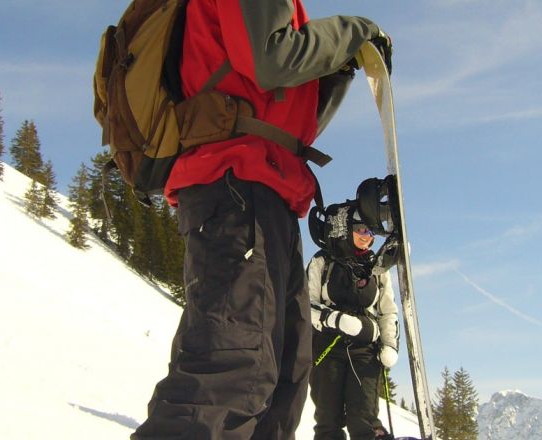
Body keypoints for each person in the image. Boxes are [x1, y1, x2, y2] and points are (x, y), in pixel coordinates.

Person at [131, 1, 393, 439]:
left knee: (284, 378)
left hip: (268, 192)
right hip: (236, 188)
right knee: (233, 369)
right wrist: (357, 32)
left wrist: (338, 66)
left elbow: (287, 117)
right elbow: (272, 61)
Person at [307, 206, 399, 440]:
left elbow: (387, 310)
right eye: (361, 230)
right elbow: (305, 305)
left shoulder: (377, 267)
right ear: (346, 229)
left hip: (365, 349)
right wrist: (337, 320)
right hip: (327, 347)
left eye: (371, 233)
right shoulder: (322, 261)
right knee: (328, 418)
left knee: (365, 418)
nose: (367, 237)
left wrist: (390, 344)